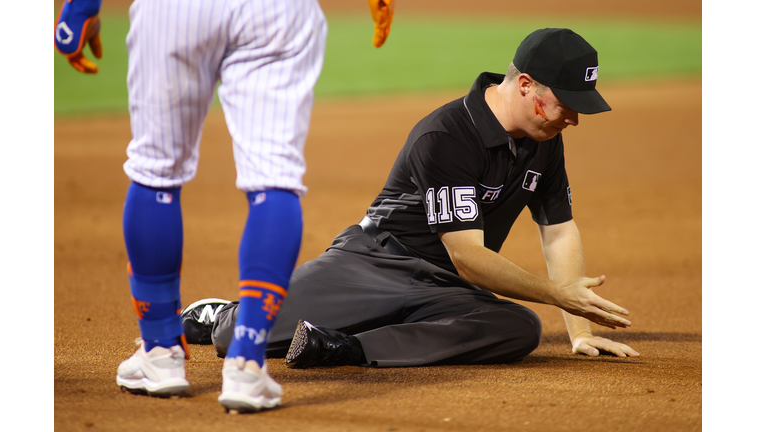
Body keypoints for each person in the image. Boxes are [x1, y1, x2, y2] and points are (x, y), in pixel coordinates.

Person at [191, 27, 640, 368]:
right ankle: (223, 312)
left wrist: (578, 331)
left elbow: (558, 231)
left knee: (518, 328)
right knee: (236, 338)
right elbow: (467, 256)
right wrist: (559, 294)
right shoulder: (446, 134)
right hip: (373, 265)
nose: (574, 119)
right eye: (567, 104)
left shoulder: (545, 141)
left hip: (447, 289)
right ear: (526, 85)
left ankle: (349, 347)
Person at [54, 0, 395, 413]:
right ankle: (247, 363)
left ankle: (160, 353)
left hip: (176, 11)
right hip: (277, 13)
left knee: (156, 170)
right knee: (275, 177)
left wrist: (81, 6)